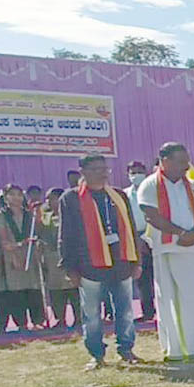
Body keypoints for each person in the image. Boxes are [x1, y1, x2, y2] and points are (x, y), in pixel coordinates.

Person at [58, 153, 142, 369]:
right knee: (92, 314)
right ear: (83, 173)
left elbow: (131, 229)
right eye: (96, 169)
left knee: (125, 310)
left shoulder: (118, 196)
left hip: (121, 263)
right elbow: (66, 235)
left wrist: (137, 261)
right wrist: (69, 268)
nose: (102, 173)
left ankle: (126, 349)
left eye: (105, 169)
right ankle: (96, 355)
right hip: (89, 266)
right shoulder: (71, 198)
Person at [138, 143, 194, 360]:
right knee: (173, 299)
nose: (186, 166)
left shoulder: (193, 185)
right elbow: (150, 215)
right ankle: (180, 348)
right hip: (167, 250)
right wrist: (181, 233)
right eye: (181, 161)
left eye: (187, 161)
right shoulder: (150, 185)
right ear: (165, 160)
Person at [0, 184, 44, 330]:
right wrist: (18, 249)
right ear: (5, 197)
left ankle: (37, 321)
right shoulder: (0, 216)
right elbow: (4, 241)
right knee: (17, 291)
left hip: (31, 255)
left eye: (19, 194)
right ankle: (21, 323)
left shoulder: (30, 214)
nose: (16, 198)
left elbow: (38, 233)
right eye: (12, 194)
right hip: (12, 256)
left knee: (34, 288)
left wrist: (39, 217)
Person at [39, 188, 79, 330]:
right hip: (51, 258)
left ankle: (79, 318)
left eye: (52, 198)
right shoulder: (45, 217)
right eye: (47, 199)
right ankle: (60, 319)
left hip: (69, 255)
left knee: (73, 288)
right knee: (56, 291)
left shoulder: (72, 214)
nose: (49, 202)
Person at [123, 160, 155, 322]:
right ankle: (147, 312)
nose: (136, 175)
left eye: (139, 172)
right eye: (132, 172)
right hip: (134, 238)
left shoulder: (152, 190)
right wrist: (137, 239)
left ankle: (165, 311)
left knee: (161, 277)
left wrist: (148, 236)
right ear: (128, 175)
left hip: (154, 236)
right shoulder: (124, 194)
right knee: (142, 279)